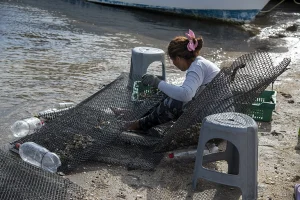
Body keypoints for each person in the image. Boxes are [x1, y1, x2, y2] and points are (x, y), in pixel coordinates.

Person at [124, 29, 220, 132]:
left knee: (174, 101)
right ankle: (136, 114)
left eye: (172, 60)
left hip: (214, 116)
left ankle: (139, 125)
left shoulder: (197, 67)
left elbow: (185, 95)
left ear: (178, 58)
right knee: (170, 91)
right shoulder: (199, 64)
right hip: (209, 108)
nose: (173, 64)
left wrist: (157, 82)